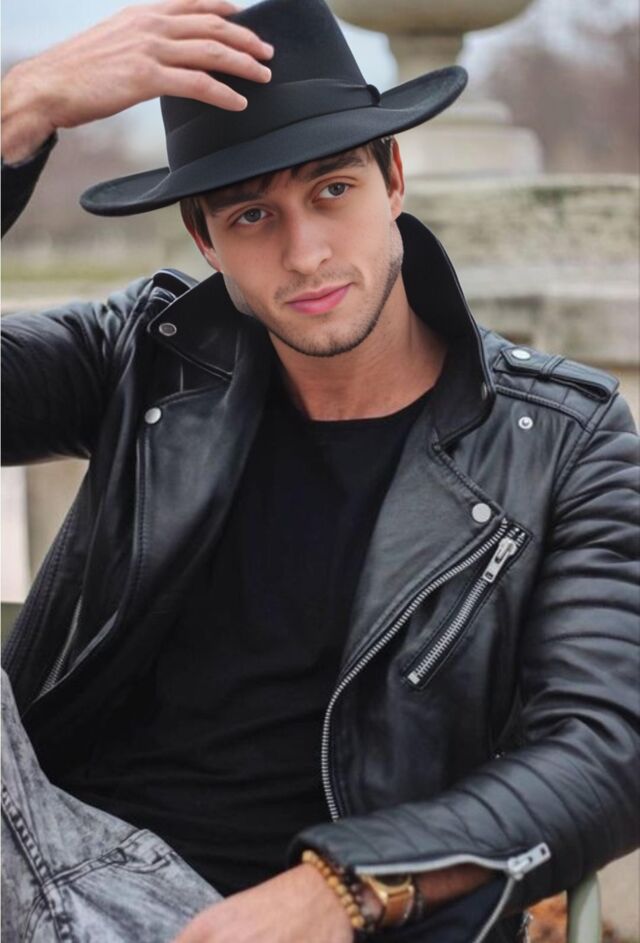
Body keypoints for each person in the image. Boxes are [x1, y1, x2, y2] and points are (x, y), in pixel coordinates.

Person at [1, 0, 638, 940]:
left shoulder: (558, 437)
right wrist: (17, 111)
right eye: (254, 214)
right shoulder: (146, 353)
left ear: (394, 178)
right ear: (206, 241)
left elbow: (608, 749)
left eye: (332, 190)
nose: (305, 255)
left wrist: (344, 886)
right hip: (49, 860)